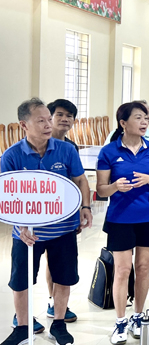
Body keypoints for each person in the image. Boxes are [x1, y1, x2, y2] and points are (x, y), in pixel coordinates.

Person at [0, 98, 92, 345]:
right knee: (21, 280)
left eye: (48, 119)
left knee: (64, 277)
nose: (48, 124)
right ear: (24, 125)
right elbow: (5, 196)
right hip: (27, 233)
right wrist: (21, 224)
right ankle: (22, 327)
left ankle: (59, 324)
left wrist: (85, 207)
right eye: (40, 120)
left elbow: (80, 179)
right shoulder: (12, 156)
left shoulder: (66, 150)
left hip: (63, 229)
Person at [96, 102, 149, 345]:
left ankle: (138, 316)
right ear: (123, 123)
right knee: (123, 270)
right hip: (120, 219)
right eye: (139, 118)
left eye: (146, 117)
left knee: (144, 270)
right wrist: (115, 186)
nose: (145, 122)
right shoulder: (108, 152)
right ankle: (120, 321)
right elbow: (100, 190)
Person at [44, 99, 80, 322]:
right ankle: (51, 300)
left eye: (69, 115)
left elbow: (77, 183)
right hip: (39, 214)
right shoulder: (36, 144)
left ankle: (58, 305)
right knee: (47, 258)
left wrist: (78, 212)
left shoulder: (71, 148)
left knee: (58, 260)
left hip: (65, 215)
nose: (65, 119)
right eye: (60, 114)